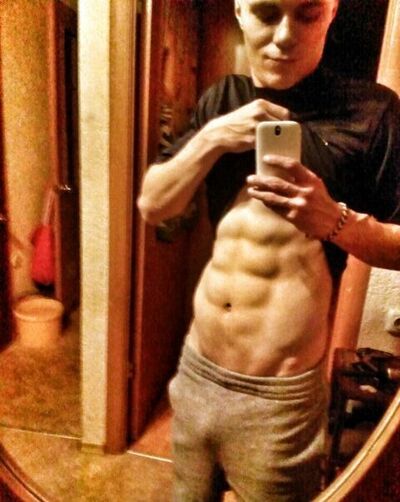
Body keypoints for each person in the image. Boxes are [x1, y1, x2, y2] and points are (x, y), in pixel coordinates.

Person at [138, 0, 400, 500]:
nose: (283, 37)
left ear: (331, 12)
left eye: (307, 14)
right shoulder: (223, 99)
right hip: (196, 373)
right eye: (266, 13)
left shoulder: (372, 113)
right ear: (240, 10)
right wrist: (213, 137)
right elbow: (154, 204)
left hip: (279, 402)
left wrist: (336, 220)